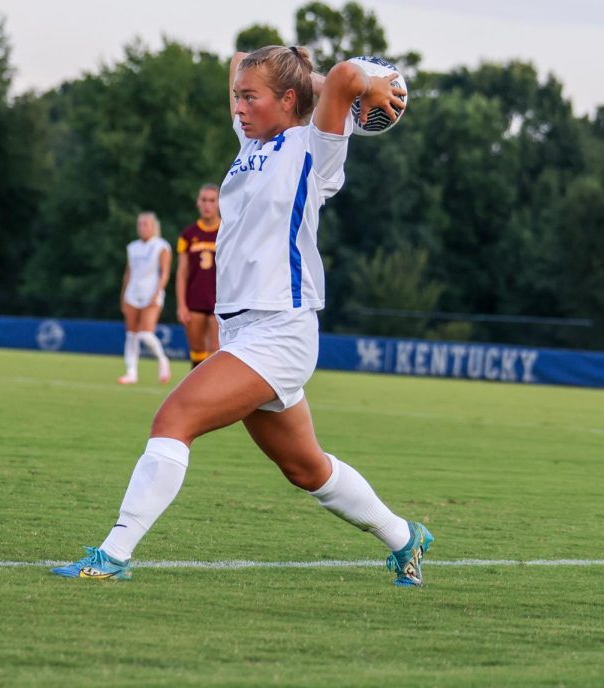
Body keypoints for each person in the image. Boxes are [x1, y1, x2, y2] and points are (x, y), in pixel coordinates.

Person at [54, 45, 433, 587]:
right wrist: (298, 72)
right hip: (244, 328)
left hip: (279, 328)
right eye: (237, 98)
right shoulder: (254, 140)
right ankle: (404, 538)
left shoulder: (315, 147)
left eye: (250, 98)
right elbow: (238, 59)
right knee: (307, 468)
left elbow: (349, 76)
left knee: (173, 420)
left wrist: (356, 86)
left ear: (288, 99)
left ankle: (112, 556)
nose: (238, 107)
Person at [119, 212, 172, 385]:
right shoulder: (132, 247)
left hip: (151, 294)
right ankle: (131, 372)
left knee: (144, 334)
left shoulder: (161, 246)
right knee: (131, 335)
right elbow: (128, 273)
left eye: (146, 224)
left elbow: (164, 272)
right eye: (140, 224)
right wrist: (123, 296)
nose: (142, 228)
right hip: (133, 294)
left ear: (153, 226)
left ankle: (163, 359)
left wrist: (157, 292)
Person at [175, 184, 221, 369]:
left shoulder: (227, 231)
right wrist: (181, 305)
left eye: (212, 200)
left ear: (219, 203)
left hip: (220, 302)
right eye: (204, 200)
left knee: (217, 349)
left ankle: (217, 394)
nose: (207, 205)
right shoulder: (188, 235)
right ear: (198, 203)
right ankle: (198, 394)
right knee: (197, 350)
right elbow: (182, 273)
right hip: (195, 301)